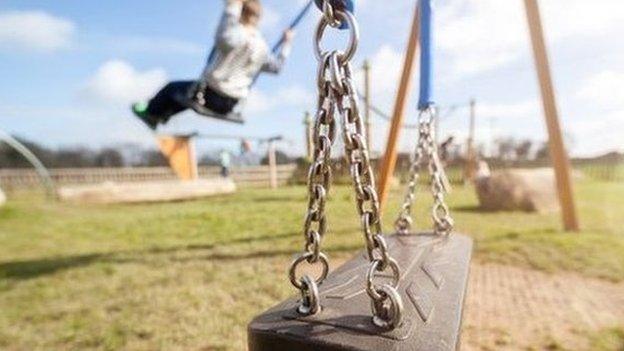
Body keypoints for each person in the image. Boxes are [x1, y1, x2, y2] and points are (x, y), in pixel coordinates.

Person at [132, 0, 295, 129]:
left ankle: (151, 113)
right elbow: (276, 67)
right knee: (184, 97)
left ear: (241, 12)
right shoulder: (263, 47)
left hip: (211, 94)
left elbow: (223, 36)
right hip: (231, 103)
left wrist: (232, 6)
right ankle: (161, 116)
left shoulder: (236, 34)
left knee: (171, 89)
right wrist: (286, 44)